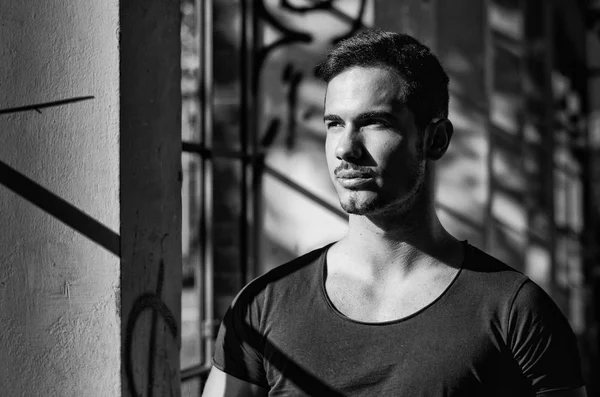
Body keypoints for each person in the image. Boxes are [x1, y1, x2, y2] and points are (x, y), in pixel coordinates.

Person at [202, 29, 587, 396]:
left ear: (435, 139)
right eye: (334, 124)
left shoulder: (515, 312)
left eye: (375, 122)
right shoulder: (262, 306)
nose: (345, 148)